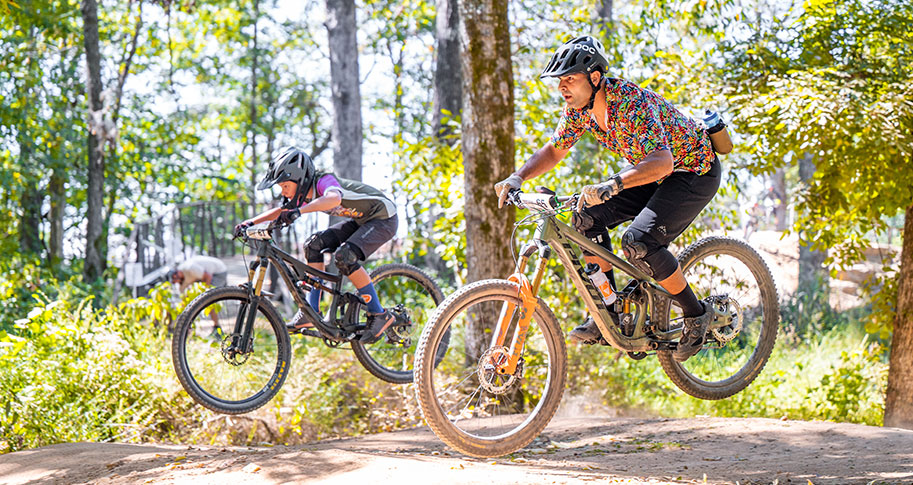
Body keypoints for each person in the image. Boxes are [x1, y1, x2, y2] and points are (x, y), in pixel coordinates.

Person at [494, 35, 722, 362]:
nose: (563, 87)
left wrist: (613, 184)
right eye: (560, 81)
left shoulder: (631, 105)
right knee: (587, 217)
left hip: (692, 172)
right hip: (653, 172)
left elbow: (663, 162)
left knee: (639, 242)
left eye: (570, 79)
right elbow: (555, 150)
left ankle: (695, 313)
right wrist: (518, 177)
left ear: (596, 78)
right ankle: (612, 312)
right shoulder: (580, 110)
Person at [234, 146, 398, 344]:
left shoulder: (323, 181)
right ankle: (311, 312)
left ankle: (379, 314)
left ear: (299, 178)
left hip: (383, 217)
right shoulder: (303, 195)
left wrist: (299, 212)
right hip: (361, 220)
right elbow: (281, 210)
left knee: (345, 257)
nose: (283, 191)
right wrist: (249, 223)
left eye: (285, 185)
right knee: (313, 245)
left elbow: (334, 198)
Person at [169, 255, 229, 336]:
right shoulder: (181, 282)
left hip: (218, 272)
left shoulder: (190, 268)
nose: (176, 281)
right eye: (174, 281)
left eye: (175, 277)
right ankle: (187, 328)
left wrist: (204, 295)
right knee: (193, 300)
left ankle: (217, 328)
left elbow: (208, 276)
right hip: (203, 277)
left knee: (209, 299)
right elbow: (184, 300)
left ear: (177, 272)